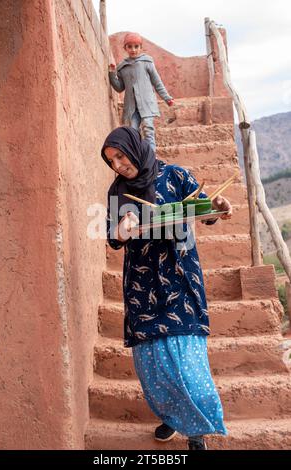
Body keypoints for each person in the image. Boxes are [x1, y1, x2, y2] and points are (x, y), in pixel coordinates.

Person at [101, 127, 232, 450]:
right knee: (154, 366)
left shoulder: (175, 175)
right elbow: (112, 238)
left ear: (135, 148)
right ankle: (172, 416)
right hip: (141, 286)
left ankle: (197, 433)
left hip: (180, 278)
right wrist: (120, 231)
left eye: (120, 156)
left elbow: (205, 210)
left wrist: (218, 206)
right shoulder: (117, 192)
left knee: (186, 361)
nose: (117, 165)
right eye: (111, 161)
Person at [108, 32, 174, 152]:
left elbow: (157, 82)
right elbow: (119, 88)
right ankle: (139, 157)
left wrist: (167, 97)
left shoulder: (147, 62)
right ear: (125, 48)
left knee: (148, 129)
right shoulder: (122, 67)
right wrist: (112, 74)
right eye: (130, 46)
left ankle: (152, 157)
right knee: (133, 132)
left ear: (141, 47)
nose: (133, 49)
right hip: (132, 107)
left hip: (146, 104)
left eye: (136, 46)